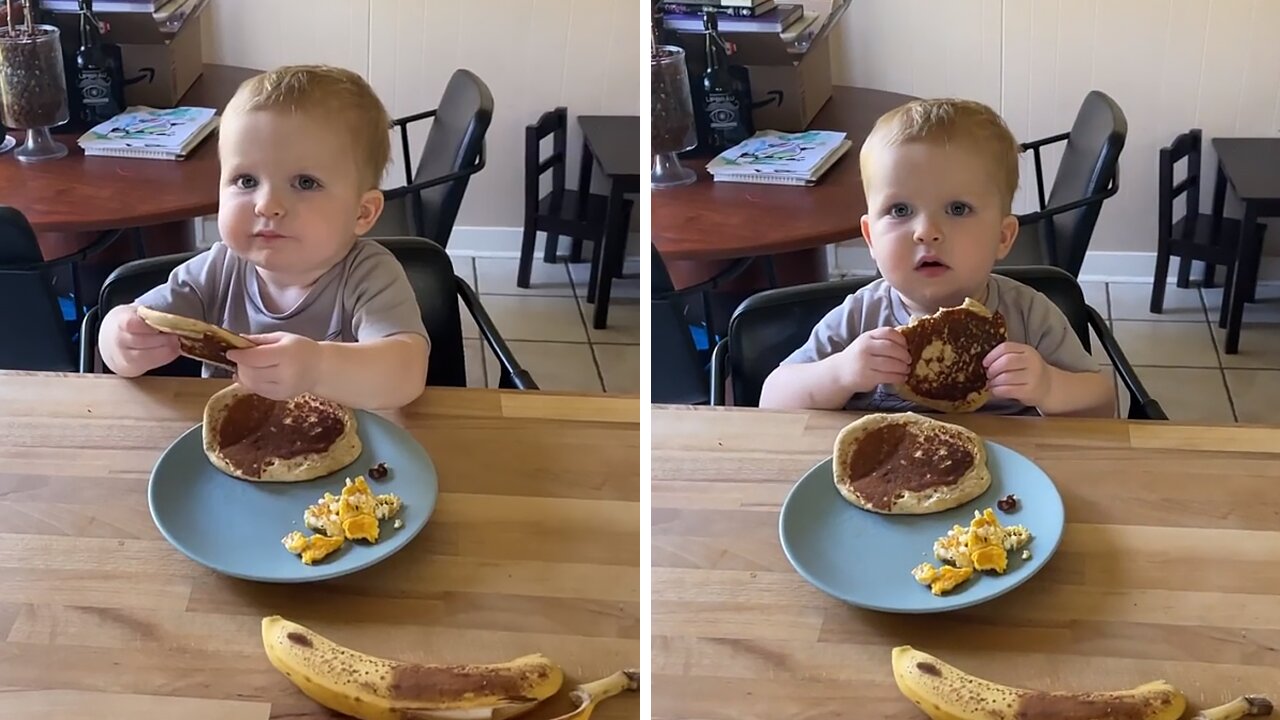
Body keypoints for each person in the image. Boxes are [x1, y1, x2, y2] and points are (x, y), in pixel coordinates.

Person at [97, 64, 430, 411]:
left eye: (305, 183)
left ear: (362, 213)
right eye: (246, 181)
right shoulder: (216, 271)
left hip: (349, 454)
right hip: (235, 449)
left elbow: (406, 373)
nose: (267, 205)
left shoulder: (370, 276)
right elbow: (137, 321)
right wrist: (119, 339)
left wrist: (317, 368)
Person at [758, 98, 1114, 417]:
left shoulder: (1030, 317)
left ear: (1003, 237)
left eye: (958, 208)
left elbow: (1102, 404)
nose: (926, 231)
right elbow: (772, 400)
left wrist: (1049, 386)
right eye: (900, 210)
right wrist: (839, 373)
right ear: (870, 237)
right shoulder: (859, 319)